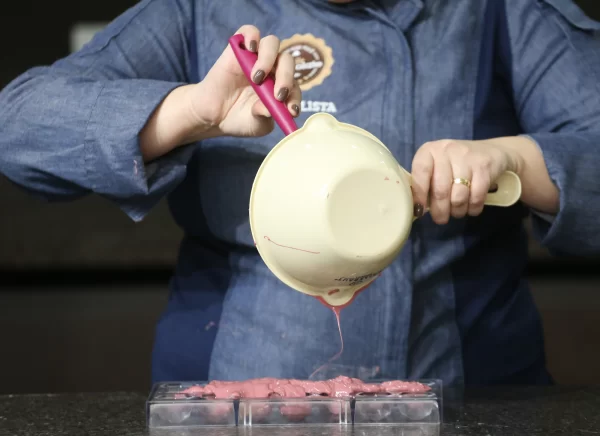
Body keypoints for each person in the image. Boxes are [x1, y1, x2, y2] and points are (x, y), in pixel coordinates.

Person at [1, 0, 599, 387]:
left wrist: (515, 159)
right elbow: (18, 128)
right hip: (231, 397)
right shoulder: (198, 11)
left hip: (471, 395)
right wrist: (191, 111)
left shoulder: (501, 13)